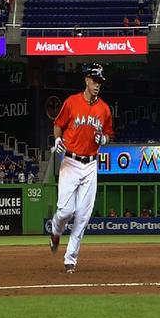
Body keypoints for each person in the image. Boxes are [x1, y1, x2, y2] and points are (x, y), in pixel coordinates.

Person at [49, 63, 114, 274]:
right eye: (95, 80)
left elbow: (109, 135)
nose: (97, 85)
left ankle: (70, 260)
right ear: (87, 79)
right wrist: (58, 139)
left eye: (100, 82)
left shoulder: (104, 109)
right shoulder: (72, 102)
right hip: (70, 162)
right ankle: (55, 230)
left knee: (83, 216)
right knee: (65, 211)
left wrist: (103, 138)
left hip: (91, 165)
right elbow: (58, 124)